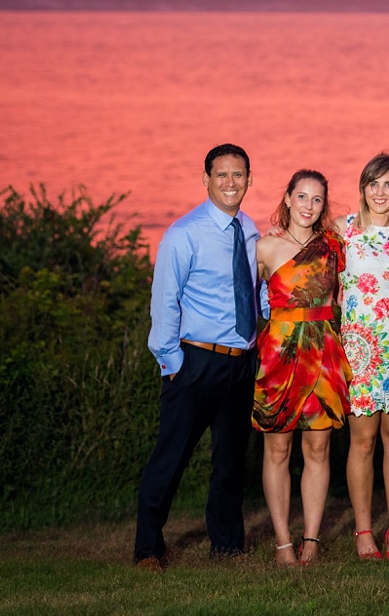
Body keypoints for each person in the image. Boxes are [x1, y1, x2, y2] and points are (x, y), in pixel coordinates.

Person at [134, 143, 263, 571]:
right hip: (195, 362)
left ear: (249, 179)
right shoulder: (183, 233)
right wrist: (171, 362)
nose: (231, 182)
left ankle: (226, 546)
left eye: (238, 174)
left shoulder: (250, 231)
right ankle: (148, 548)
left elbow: (253, 288)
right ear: (205, 179)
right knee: (170, 459)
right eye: (222, 174)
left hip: (240, 363)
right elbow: (165, 301)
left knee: (229, 463)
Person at [251, 169, 350, 567]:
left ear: (324, 205)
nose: (309, 206)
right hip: (279, 352)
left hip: (323, 349)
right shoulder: (264, 248)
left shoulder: (333, 245)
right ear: (288, 198)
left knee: (319, 446)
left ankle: (311, 538)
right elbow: (241, 298)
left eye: (318, 200)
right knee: (277, 448)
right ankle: (282, 543)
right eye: (303, 197)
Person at [335, 153, 389, 561]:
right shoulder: (342, 231)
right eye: (374, 183)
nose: (381, 192)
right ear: (363, 188)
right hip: (358, 350)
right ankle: (364, 532)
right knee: (363, 441)